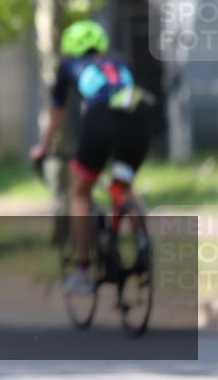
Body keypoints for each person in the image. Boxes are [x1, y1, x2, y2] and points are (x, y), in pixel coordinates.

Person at [30, 19, 152, 296]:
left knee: (80, 192)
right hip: (137, 117)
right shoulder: (120, 61)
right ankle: (143, 244)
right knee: (123, 186)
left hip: (101, 120)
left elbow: (57, 112)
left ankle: (83, 270)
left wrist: (43, 146)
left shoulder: (68, 65)